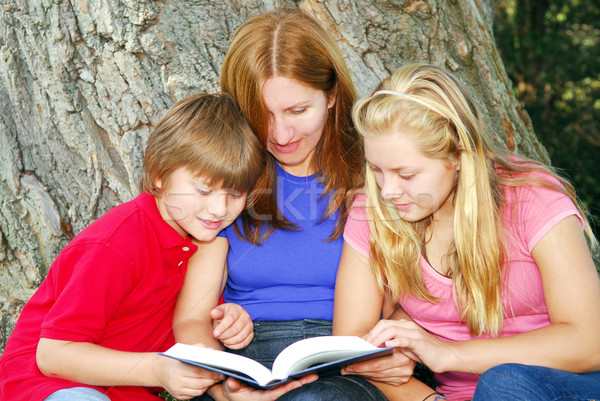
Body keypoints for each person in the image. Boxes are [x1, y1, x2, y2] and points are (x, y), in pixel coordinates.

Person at [173, 8, 429, 401]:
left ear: (330, 96)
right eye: (262, 115)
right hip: (248, 363)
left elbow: (432, 287)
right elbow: (192, 318)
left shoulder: (381, 172)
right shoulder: (227, 185)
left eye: (297, 111)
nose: (281, 134)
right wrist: (223, 383)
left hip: (346, 365)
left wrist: (400, 338)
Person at [334, 62, 600, 401]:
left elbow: (590, 343)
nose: (387, 191)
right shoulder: (372, 210)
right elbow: (353, 349)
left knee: (503, 384)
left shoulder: (534, 200)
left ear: (458, 156)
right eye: (376, 170)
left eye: (407, 174)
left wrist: (448, 354)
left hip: (566, 385)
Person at [0, 93, 268, 401]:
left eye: (234, 194)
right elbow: (52, 356)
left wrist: (226, 346)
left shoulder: (207, 246)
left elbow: (190, 331)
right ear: (160, 176)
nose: (220, 209)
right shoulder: (118, 242)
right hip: (47, 386)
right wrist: (157, 369)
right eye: (204, 190)